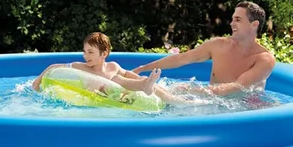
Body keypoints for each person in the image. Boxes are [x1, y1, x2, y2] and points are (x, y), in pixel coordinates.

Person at [132, 1, 276, 96]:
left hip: (245, 109)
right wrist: (144, 68)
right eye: (232, 19)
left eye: (238, 20)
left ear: (254, 24)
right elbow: (182, 58)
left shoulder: (264, 59)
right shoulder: (218, 45)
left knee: (173, 95)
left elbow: (238, 87)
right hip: (214, 102)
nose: (232, 23)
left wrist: (193, 91)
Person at [31, 32, 185, 102]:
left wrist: (143, 79)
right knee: (116, 80)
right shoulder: (81, 68)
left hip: (122, 94)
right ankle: (145, 85)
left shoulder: (112, 66)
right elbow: (54, 67)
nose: (86, 56)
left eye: (90, 52)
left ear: (104, 53)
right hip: (102, 97)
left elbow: (129, 75)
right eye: (85, 51)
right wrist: (38, 81)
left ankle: (169, 97)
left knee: (129, 79)